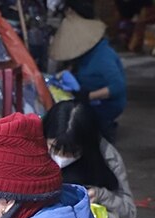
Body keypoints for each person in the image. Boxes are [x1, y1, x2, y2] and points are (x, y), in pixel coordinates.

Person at [43, 100, 136, 218]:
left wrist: (100, 195)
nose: (61, 158)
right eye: (54, 148)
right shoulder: (32, 147)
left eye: (71, 152)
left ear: (88, 146)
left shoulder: (106, 156)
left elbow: (129, 211)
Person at [49, 10, 127, 142]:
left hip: (107, 103)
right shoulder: (85, 55)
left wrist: (88, 96)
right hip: (88, 95)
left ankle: (105, 127)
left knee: (88, 138)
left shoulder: (103, 57)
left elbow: (117, 87)